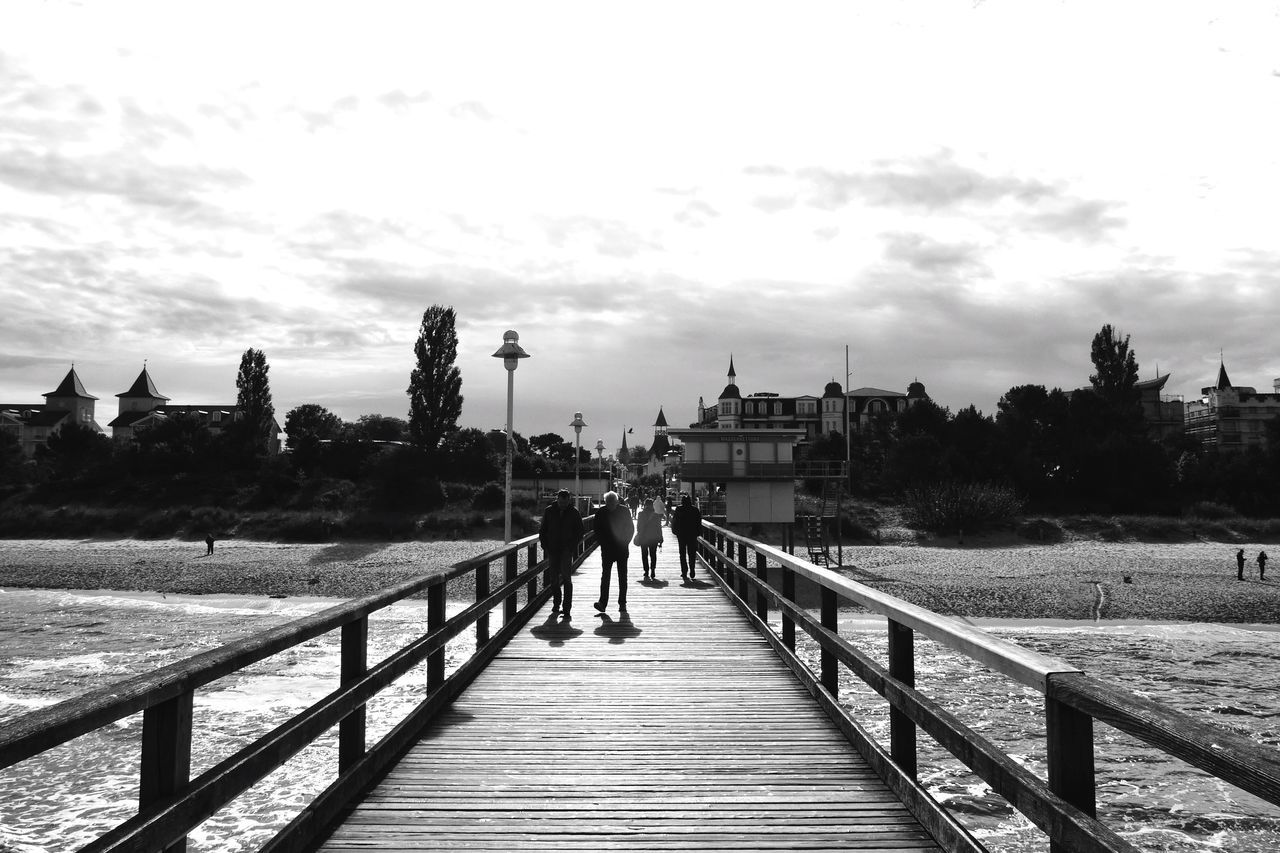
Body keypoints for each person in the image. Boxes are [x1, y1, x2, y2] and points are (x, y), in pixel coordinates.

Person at [539, 489, 584, 620]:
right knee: (553, 579)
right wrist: (544, 545)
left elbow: (580, 531)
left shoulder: (574, 512)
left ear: (568, 500)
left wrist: (571, 546)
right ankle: (556, 603)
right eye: (561, 502)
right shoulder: (549, 511)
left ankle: (566, 607)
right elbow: (543, 529)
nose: (563, 505)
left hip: (566, 549)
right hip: (552, 549)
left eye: (565, 502)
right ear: (557, 499)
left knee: (566, 578)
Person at [593, 491, 634, 614]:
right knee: (605, 576)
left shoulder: (624, 511)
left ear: (617, 502)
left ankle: (622, 603)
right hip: (607, 550)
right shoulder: (601, 512)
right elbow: (597, 530)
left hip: (621, 549)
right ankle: (602, 603)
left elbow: (630, 528)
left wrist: (625, 542)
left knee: (622, 577)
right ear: (605, 502)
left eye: (613, 503)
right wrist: (603, 543)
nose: (610, 505)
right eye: (608, 503)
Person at [671, 494, 703, 580]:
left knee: (682, 553)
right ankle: (692, 569)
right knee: (691, 553)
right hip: (692, 534)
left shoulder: (679, 509)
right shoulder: (695, 510)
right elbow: (699, 522)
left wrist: (674, 531)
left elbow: (674, 521)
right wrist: (698, 532)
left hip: (681, 534)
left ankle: (684, 571)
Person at [634, 499, 663, 580]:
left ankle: (646, 570)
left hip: (644, 537)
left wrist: (639, 533)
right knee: (653, 554)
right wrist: (660, 538)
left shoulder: (641, 514)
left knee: (644, 555)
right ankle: (653, 570)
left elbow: (638, 526)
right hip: (654, 537)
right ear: (652, 505)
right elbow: (659, 528)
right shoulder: (656, 515)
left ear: (645, 505)